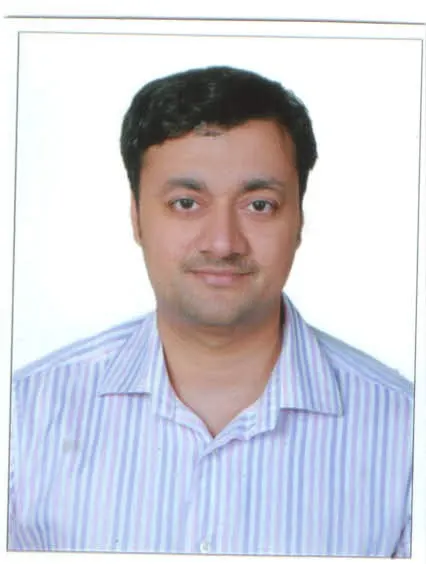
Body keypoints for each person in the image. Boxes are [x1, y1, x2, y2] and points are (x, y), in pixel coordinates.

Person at [8, 66, 413, 556]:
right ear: (136, 217)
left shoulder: (407, 435)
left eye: (259, 205)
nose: (223, 243)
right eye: (185, 203)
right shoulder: (24, 417)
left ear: (299, 220)